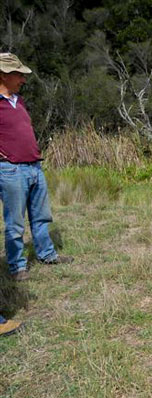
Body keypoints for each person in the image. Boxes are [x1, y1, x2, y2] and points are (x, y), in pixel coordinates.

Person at [0, 52, 73, 281]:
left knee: (41, 217)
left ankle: (47, 254)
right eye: (18, 75)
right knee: (15, 223)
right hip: (11, 170)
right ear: (3, 75)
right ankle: (17, 267)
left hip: (34, 166)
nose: (23, 80)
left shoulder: (18, 101)